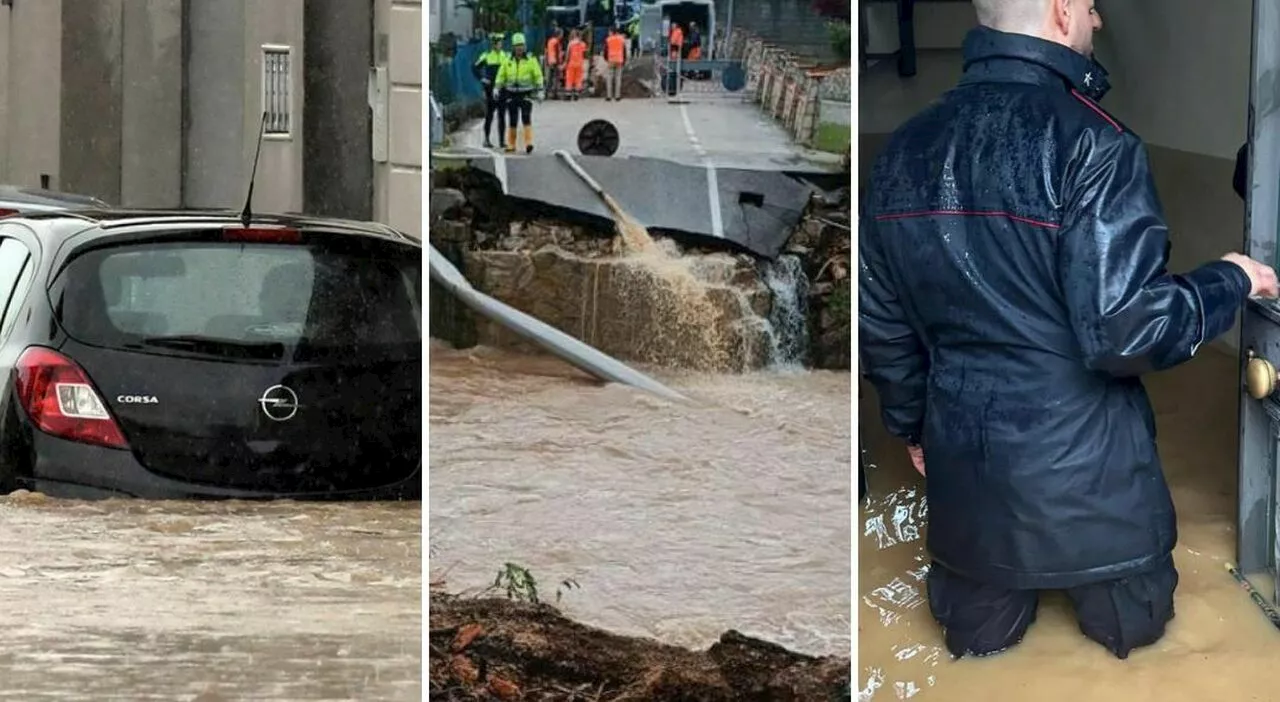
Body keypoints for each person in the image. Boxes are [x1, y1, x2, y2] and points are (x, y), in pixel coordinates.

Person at [860, 0, 1280, 662]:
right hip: (1099, 494)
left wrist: (914, 427)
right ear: (1060, 12)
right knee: (1138, 652)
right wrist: (1228, 280)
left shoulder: (898, 153)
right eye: (1089, 6)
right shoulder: (1095, 144)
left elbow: (882, 328)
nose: (1098, 21)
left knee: (977, 655)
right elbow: (1127, 331)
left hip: (969, 490)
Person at [494, 33, 543, 154]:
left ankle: (529, 143)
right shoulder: (507, 61)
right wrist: (496, 87)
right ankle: (511, 144)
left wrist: (540, 90)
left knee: (526, 117)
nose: (519, 48)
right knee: (513, 119)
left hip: (526, 93)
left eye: (521, 46)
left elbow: (538, 76)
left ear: (525, 46)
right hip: (511, 93)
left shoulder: (531, 60)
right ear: (513, 47)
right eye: (517, 46)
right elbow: (501, 75)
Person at [472, 32, 509, 149]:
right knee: (489, 115)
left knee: (502, 115)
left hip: (502, 88)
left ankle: (502, 141)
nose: (500, 45)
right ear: (493, 44)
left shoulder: (506, 56)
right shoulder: (486, 55)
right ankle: (486, 139)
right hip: (490, 89)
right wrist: (482, 79)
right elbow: (474, 67)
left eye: (500, 43)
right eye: (498, 43)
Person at [564, 29, 588, 100]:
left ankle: (568, 95)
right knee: (578, 79)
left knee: (569, 79)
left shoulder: (571, 43)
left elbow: (568, 54)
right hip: (579, 64)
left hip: (571, 63)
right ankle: (576, 95)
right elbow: (585, 54)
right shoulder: (583, 44)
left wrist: (565, 62)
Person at [605, 25, 627, 101]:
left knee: (609, 78)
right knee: (618, 78)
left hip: (611, 60)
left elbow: (605, 50)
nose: (608, 33)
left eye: (609, 31)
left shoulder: (608, 39)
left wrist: (606, 59)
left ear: (612, 32)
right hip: (619, 60)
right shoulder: (622, 39)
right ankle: (617, 96)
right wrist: (624, 60)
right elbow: (624, 51)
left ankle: (609, 96)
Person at [544, 28, 564, 99]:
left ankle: (546, 93)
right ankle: (555, 94)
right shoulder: (556, 42)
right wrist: (559, 63)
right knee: (556, 78)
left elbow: (546, 52)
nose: (562, 36)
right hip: (555, 62)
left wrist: (547, 61)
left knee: (549, 79)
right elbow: (557, 53)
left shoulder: (550, 41)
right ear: (558, 34)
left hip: (550, 62)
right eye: (561, 34)